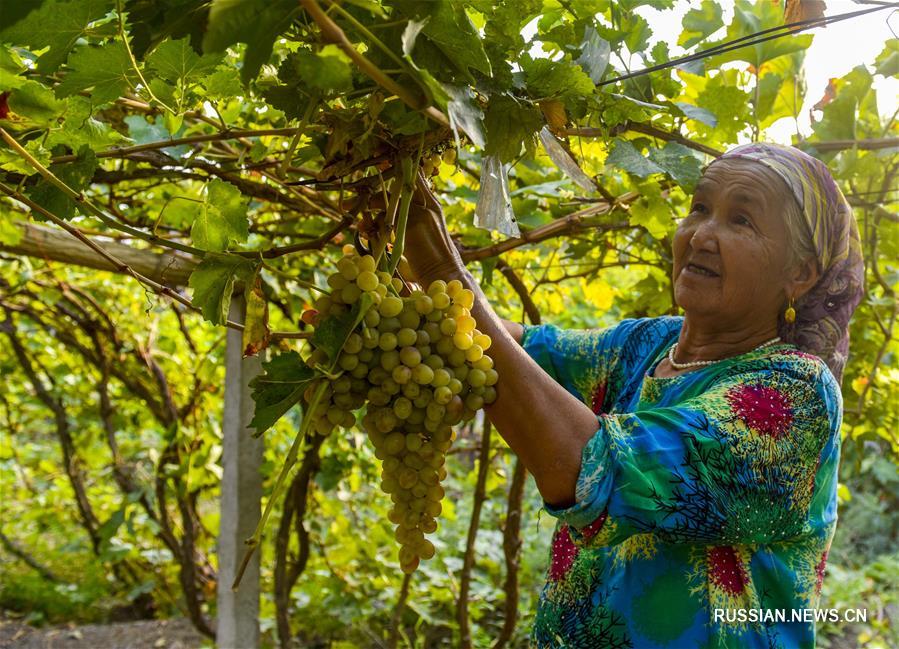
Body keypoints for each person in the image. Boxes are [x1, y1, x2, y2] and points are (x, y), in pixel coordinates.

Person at [400, 142, 864, 648]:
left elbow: (590, 469)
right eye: (700, 208)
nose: (702, 235)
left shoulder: (794, 395)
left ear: (801, 273)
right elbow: (521, 351)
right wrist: (404, 281)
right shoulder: (646, 344)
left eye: (741, 221)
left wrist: (446, 273)